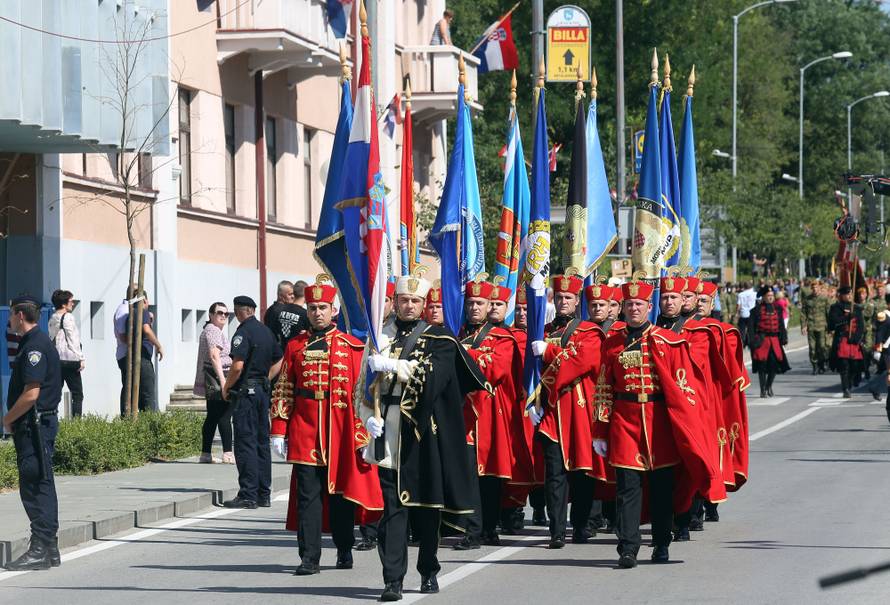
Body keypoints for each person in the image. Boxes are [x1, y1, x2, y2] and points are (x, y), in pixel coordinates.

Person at [360, 269, 487, 601]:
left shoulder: (440, 339)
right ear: (395, 302)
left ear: (424, 304)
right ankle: (392, 579)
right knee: (393, 508)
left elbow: (434, 378)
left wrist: (395, 367)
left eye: (415, 301)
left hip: (422, 433)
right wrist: (367, 420)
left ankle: (428, 568)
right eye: (404, 300)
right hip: (387, 432)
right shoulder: (378, 337)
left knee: (427, 507)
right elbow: (363, 388)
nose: (409, 306)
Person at [593, 278, 724, 569]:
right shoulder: (611, 343)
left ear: (649, 307)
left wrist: (687, 427)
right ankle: (628, 547)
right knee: (627, 488)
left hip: (659, 422)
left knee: (662, 487)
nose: (634, 309)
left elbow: (684, 387)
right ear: (623, 308)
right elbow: (603, 387)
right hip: (624, 421)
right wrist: (600, 430)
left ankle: (662, 542)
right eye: (630, 304)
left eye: (639, 304)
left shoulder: (668, 341)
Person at [270, 276, 383, 575]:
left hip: (340, 431)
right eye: (312, 308)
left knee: (339, 494)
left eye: (322, 307)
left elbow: (362, 395)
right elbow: (284, 388)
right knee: (307, 497)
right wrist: (279, 430)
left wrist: (363, 433)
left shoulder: (352, 346)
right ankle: (309, 557)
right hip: (305, 430)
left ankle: (344, 549)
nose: (317, 313)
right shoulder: (295, 346)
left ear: (334, 310)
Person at [528, 270, 602, 549]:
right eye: (559, 297)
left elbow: (581, 361)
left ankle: (581, 526)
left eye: (568, 298)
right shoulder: (543, 331)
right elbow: (532, 370)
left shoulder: (589, 332)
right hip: (550, 409)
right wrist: (532, 399)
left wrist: (548, 352)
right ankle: (557, 529)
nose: (562, 302)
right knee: (554, 474)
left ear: (577, 300)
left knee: (581, 471)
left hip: (578, 410)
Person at [455, 277, 522, 550]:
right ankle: (472, 531)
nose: (474, 308)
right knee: (469, 474)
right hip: (463, 412)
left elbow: (494, 370)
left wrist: (466, 355)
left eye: (480, 303)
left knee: (490, 476)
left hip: (489, 413)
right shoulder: (457, 334)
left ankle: (489, 528)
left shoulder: (502, 338)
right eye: (471, 303)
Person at [2, 295, 62, 571]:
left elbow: (31, 393)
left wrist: (7, 419)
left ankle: (40, 548)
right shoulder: (35, 341)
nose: (8, 320)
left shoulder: (35, 346)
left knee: (34, 487)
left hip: (34, 427)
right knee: (41, 483)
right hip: (37, 425)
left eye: (11, 314)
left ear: (20, 315)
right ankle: (49, 548)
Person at [222, 296, 282, 509]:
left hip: (246, 393)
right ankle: (263, 494)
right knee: (261, 442)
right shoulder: (266, 331)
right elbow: (279, 359)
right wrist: (266, 378)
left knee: (245, 442)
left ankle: (248, 494)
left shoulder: (243, 333)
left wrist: (226, 387)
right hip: (262, 392)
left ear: (240, 311)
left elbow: (237, 366)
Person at [194, 302, 234, 464]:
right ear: (211, 315)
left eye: (226, 313)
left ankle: (206, 454)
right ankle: (228, 453)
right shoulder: (213, 330)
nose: (223, 316)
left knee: (212, 416)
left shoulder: (211, 329)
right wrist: (224, 380)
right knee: (225, 415)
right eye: (219, 313)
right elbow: (214, 356)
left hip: (213, 377)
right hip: (219, 376)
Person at [114, 289, 163, 415]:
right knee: (148, 394)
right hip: (142, 358)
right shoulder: (142, 312)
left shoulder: (130, 315)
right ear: (145, 300)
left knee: (133, 393)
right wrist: (158, 345)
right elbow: (146, 330)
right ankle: (149, 422)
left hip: (131, 357)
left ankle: (129, 419)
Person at [48, 290, 85, 417]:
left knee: (55, 393)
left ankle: (52, 418)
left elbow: (51, 338)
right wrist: (81, 358)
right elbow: (73, 339)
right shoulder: (68, 317)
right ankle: (76, 423)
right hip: (70, 360)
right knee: (77, 394)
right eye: (71, 301)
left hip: (56, 360)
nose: (73, 304)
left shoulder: (53, 318)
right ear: (64, 304)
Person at [748, 289, 790, 398]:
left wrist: (784, 338)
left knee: (774, 365)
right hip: (762, 340)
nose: (771, 297)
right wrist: (752, 341)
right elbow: (751, 327)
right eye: (768, 295)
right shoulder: (755, 310)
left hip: (775, 340)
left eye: (772, 295)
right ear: (763, 297)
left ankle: (768, 386)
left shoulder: (778, 309)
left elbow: (781, 325)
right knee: (761, 366)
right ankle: (762, 390)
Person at [828, 286, 864, 399]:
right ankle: (846, 389)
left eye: (851, 294)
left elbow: (861, 325)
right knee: (844, 365)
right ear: (842, 295)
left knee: (855, 365)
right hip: (842, 340)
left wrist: (856, 337)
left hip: (854, 340)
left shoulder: (856, 308)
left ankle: (850, 382)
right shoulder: (835, 308)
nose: (849, 296)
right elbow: (833, 323)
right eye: (847, 294)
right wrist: (847, 318)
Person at [263, 280, 308, 348]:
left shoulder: (273, 309)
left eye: (293, 294)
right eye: (290, 294)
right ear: (280, 296)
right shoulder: (277, 311)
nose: (293, 296)